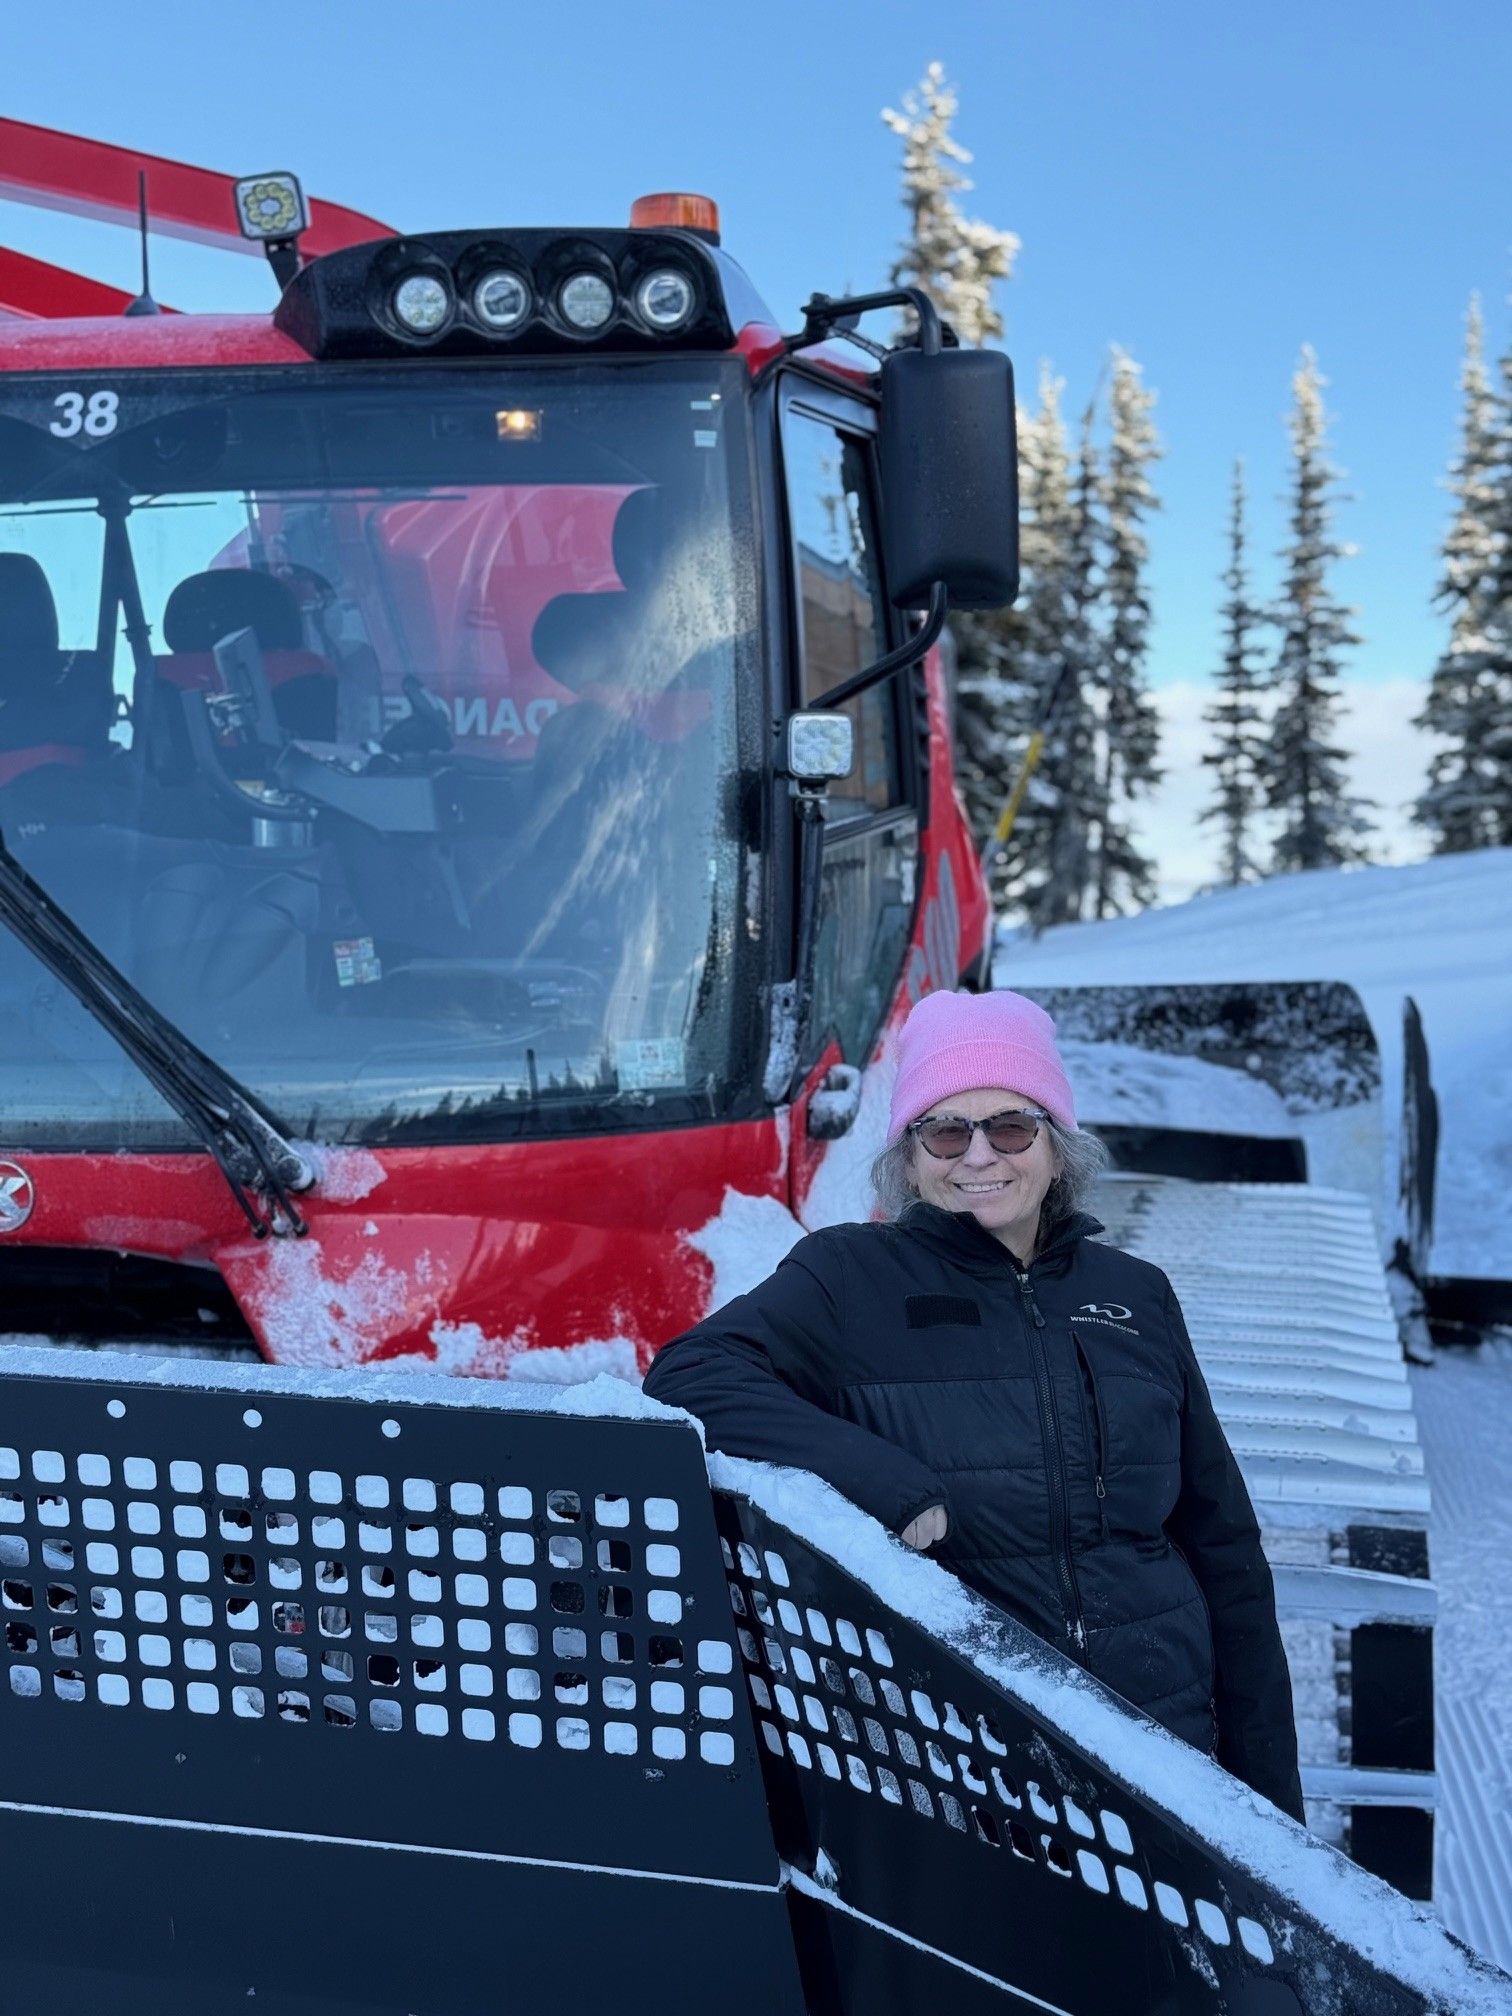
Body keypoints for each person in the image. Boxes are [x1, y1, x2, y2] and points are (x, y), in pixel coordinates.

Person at [643, 987, 1306, 1822]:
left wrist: (1274, 1817)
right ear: (911, 1156)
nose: (979, 1155)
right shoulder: (848, 1275)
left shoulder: (1135, 1294)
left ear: (1056, 1147)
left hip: (1164, 1745)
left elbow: (1225, 1550)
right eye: (947, 1129)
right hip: (968, 1751)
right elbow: (693, 1371)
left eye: (1012, 1126)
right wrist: (879, 1481)